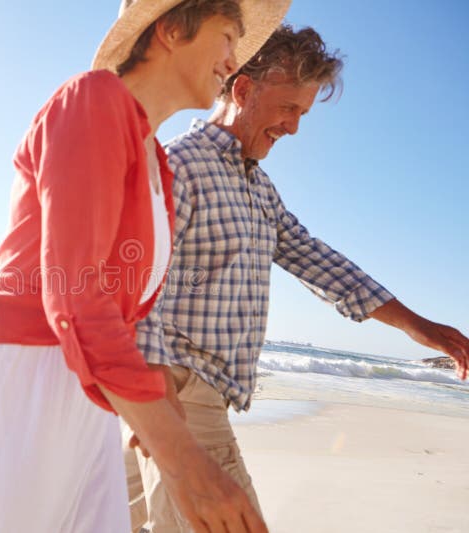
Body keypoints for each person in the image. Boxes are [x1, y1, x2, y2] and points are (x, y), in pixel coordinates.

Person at [0, 1, 291, 532]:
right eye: (228, 37)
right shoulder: (91, 99)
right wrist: (182, 460)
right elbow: (77, 294)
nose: (233, 61)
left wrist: (153, 385)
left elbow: (120, 311)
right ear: (172, 29)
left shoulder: (156, 160)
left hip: (89, 389)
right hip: (15, 378)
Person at [125, 23, 469, 532]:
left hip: (180, 400)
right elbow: (133, 287)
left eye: (302, 114)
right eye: (289, 109)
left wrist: (422, 329)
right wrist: (157, 404)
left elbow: (319, 262)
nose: (293, 128)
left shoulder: (258, 188)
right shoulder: (180, 166)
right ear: (243, 90)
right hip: (180, 395)